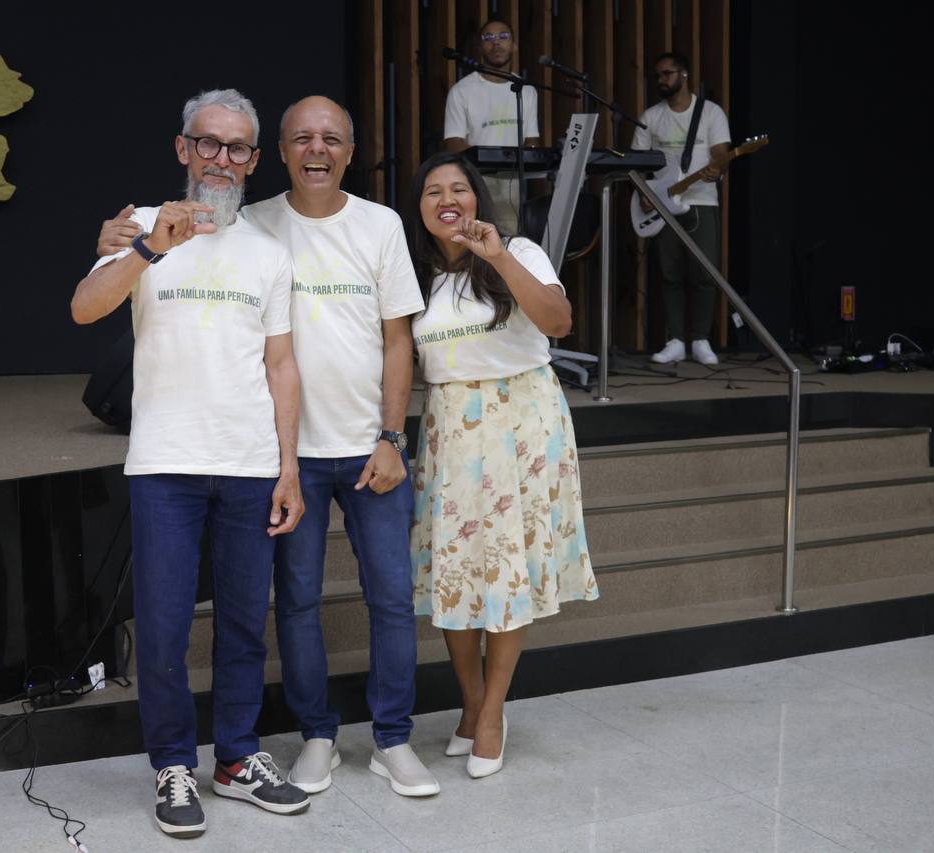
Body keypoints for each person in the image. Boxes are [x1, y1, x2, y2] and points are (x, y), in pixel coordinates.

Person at [97, 96, 439, 798]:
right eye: (301, 137)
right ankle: (287, 741)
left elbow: (374, 344)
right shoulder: (215, 221)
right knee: (262, 610)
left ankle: (374, 741)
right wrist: (127, 241)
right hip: (238, 458)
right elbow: (97, 295)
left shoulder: (349, 229)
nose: (222, 160)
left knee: (371, 602)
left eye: (332, 138)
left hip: (327, 452)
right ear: (275, 154)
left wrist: (390, 435)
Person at [70, 88, 309, 839]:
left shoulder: (268, 253)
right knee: (165, 626)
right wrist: (148, 248)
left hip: (249, 462)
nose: (221, 160)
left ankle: (236, 756)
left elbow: (281, 365)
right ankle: (173, 763)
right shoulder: (139, 224)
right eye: (208, 143)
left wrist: (289, 467)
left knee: (242, 622)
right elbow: (84, 308)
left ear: (253, 161)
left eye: (237, 148)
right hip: (165, 463)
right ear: (182, 149)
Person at [405, 151, 598, 779]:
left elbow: (559, 322)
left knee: (507, 567)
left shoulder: (517, 251)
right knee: (454, 570)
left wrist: (498, 258)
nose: (447, 199)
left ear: (478, 198)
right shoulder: (414, 274)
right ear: (420, 208)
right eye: (433, 191)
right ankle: (470, 703)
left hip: (524, 424)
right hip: (451, 430)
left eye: (458, 188)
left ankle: (492, 713)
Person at [631, 52, 731, 366]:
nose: (661, 80)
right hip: (662, 205)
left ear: (684, 75)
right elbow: (636, 163)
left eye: (667, 74)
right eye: (658, 75)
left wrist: (718, 167)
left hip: (702, 201)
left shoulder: (711, 113)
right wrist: (644, 191)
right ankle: (675, 340)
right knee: (669, 273)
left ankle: (700, 339)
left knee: (704, 272)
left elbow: (721, 151)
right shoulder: (650, 117)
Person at [443, 18, 539, 236]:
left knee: (509, 242)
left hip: (513, 184)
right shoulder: (462, 91)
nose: (496, 43)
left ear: (514, 45)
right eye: (489, 37)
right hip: (476, 181)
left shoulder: (526, 90)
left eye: (503, 36)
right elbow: (453, 143)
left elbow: (532, 142)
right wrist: (487, 157)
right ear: (479, 48)